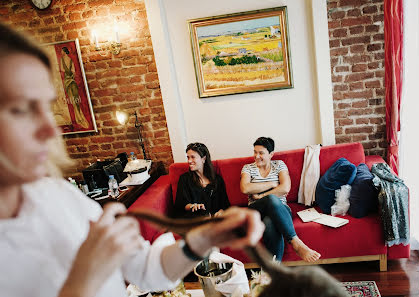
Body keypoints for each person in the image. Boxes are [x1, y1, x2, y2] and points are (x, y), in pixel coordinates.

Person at [0, 23, 264, 297]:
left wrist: (208, 237)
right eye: (21, 109)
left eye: (46, 107)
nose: (49, 130)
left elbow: (147, 271)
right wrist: (85, 278)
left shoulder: (58, 195)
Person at [240, 137, 321, 262]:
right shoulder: (248, 168)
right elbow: (245, 188)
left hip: (280, 209)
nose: (256, 156)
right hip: (256, 210)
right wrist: (272, 184)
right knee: (272, 199)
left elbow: (285, 188)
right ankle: (295, 242)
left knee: (269, 223)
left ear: (271, 154)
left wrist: (261, 195)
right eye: (255, 152)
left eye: (261, 153)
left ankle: (273, 269)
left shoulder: (279, 165)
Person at [174, 143, 230, 218]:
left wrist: (221, 211)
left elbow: (225, 204)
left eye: (193, 157)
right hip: (194, 218)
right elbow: (181, 204)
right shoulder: (184, 179)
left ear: (203, 159)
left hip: (214, 219)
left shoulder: (217, 180)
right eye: (188, 157)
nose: (189, 161)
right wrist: (193, 206)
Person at [59, 46, 89, 129]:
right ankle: (79, 117)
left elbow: (62, 69)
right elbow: (73, 72)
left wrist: (67, 74)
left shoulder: (62, 60)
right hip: (72, 80)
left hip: (68, 81)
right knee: (75, 100)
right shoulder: (70, 60)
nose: (61, 53)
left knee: (73, 99)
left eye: (62, 51)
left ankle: (79, 118)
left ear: (64, 52)